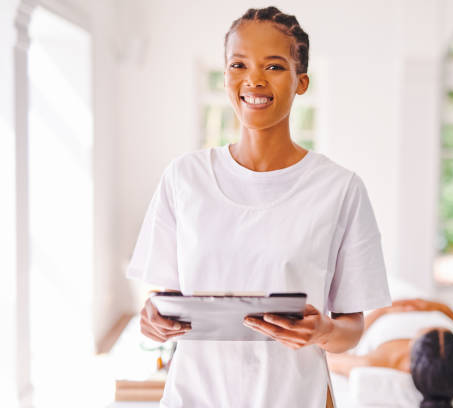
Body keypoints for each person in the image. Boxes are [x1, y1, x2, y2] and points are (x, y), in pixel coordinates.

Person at [126, 6, 391, 408]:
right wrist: (152, 317)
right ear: (226, 75)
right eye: (238, 64)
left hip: (294, 397)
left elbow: (352, 328)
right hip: (195, 396)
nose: (254, 79)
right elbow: (163, 299)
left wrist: (320, 330)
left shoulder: (340, 189)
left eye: (274, 66)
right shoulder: (184, 178)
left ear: (301, 82)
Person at [326, 299, 453, 407]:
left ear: (411, 350)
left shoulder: (382, 360)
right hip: (430, 308)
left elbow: (331, 356)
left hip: (392, 309)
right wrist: (445, 310)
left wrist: (381, 311)